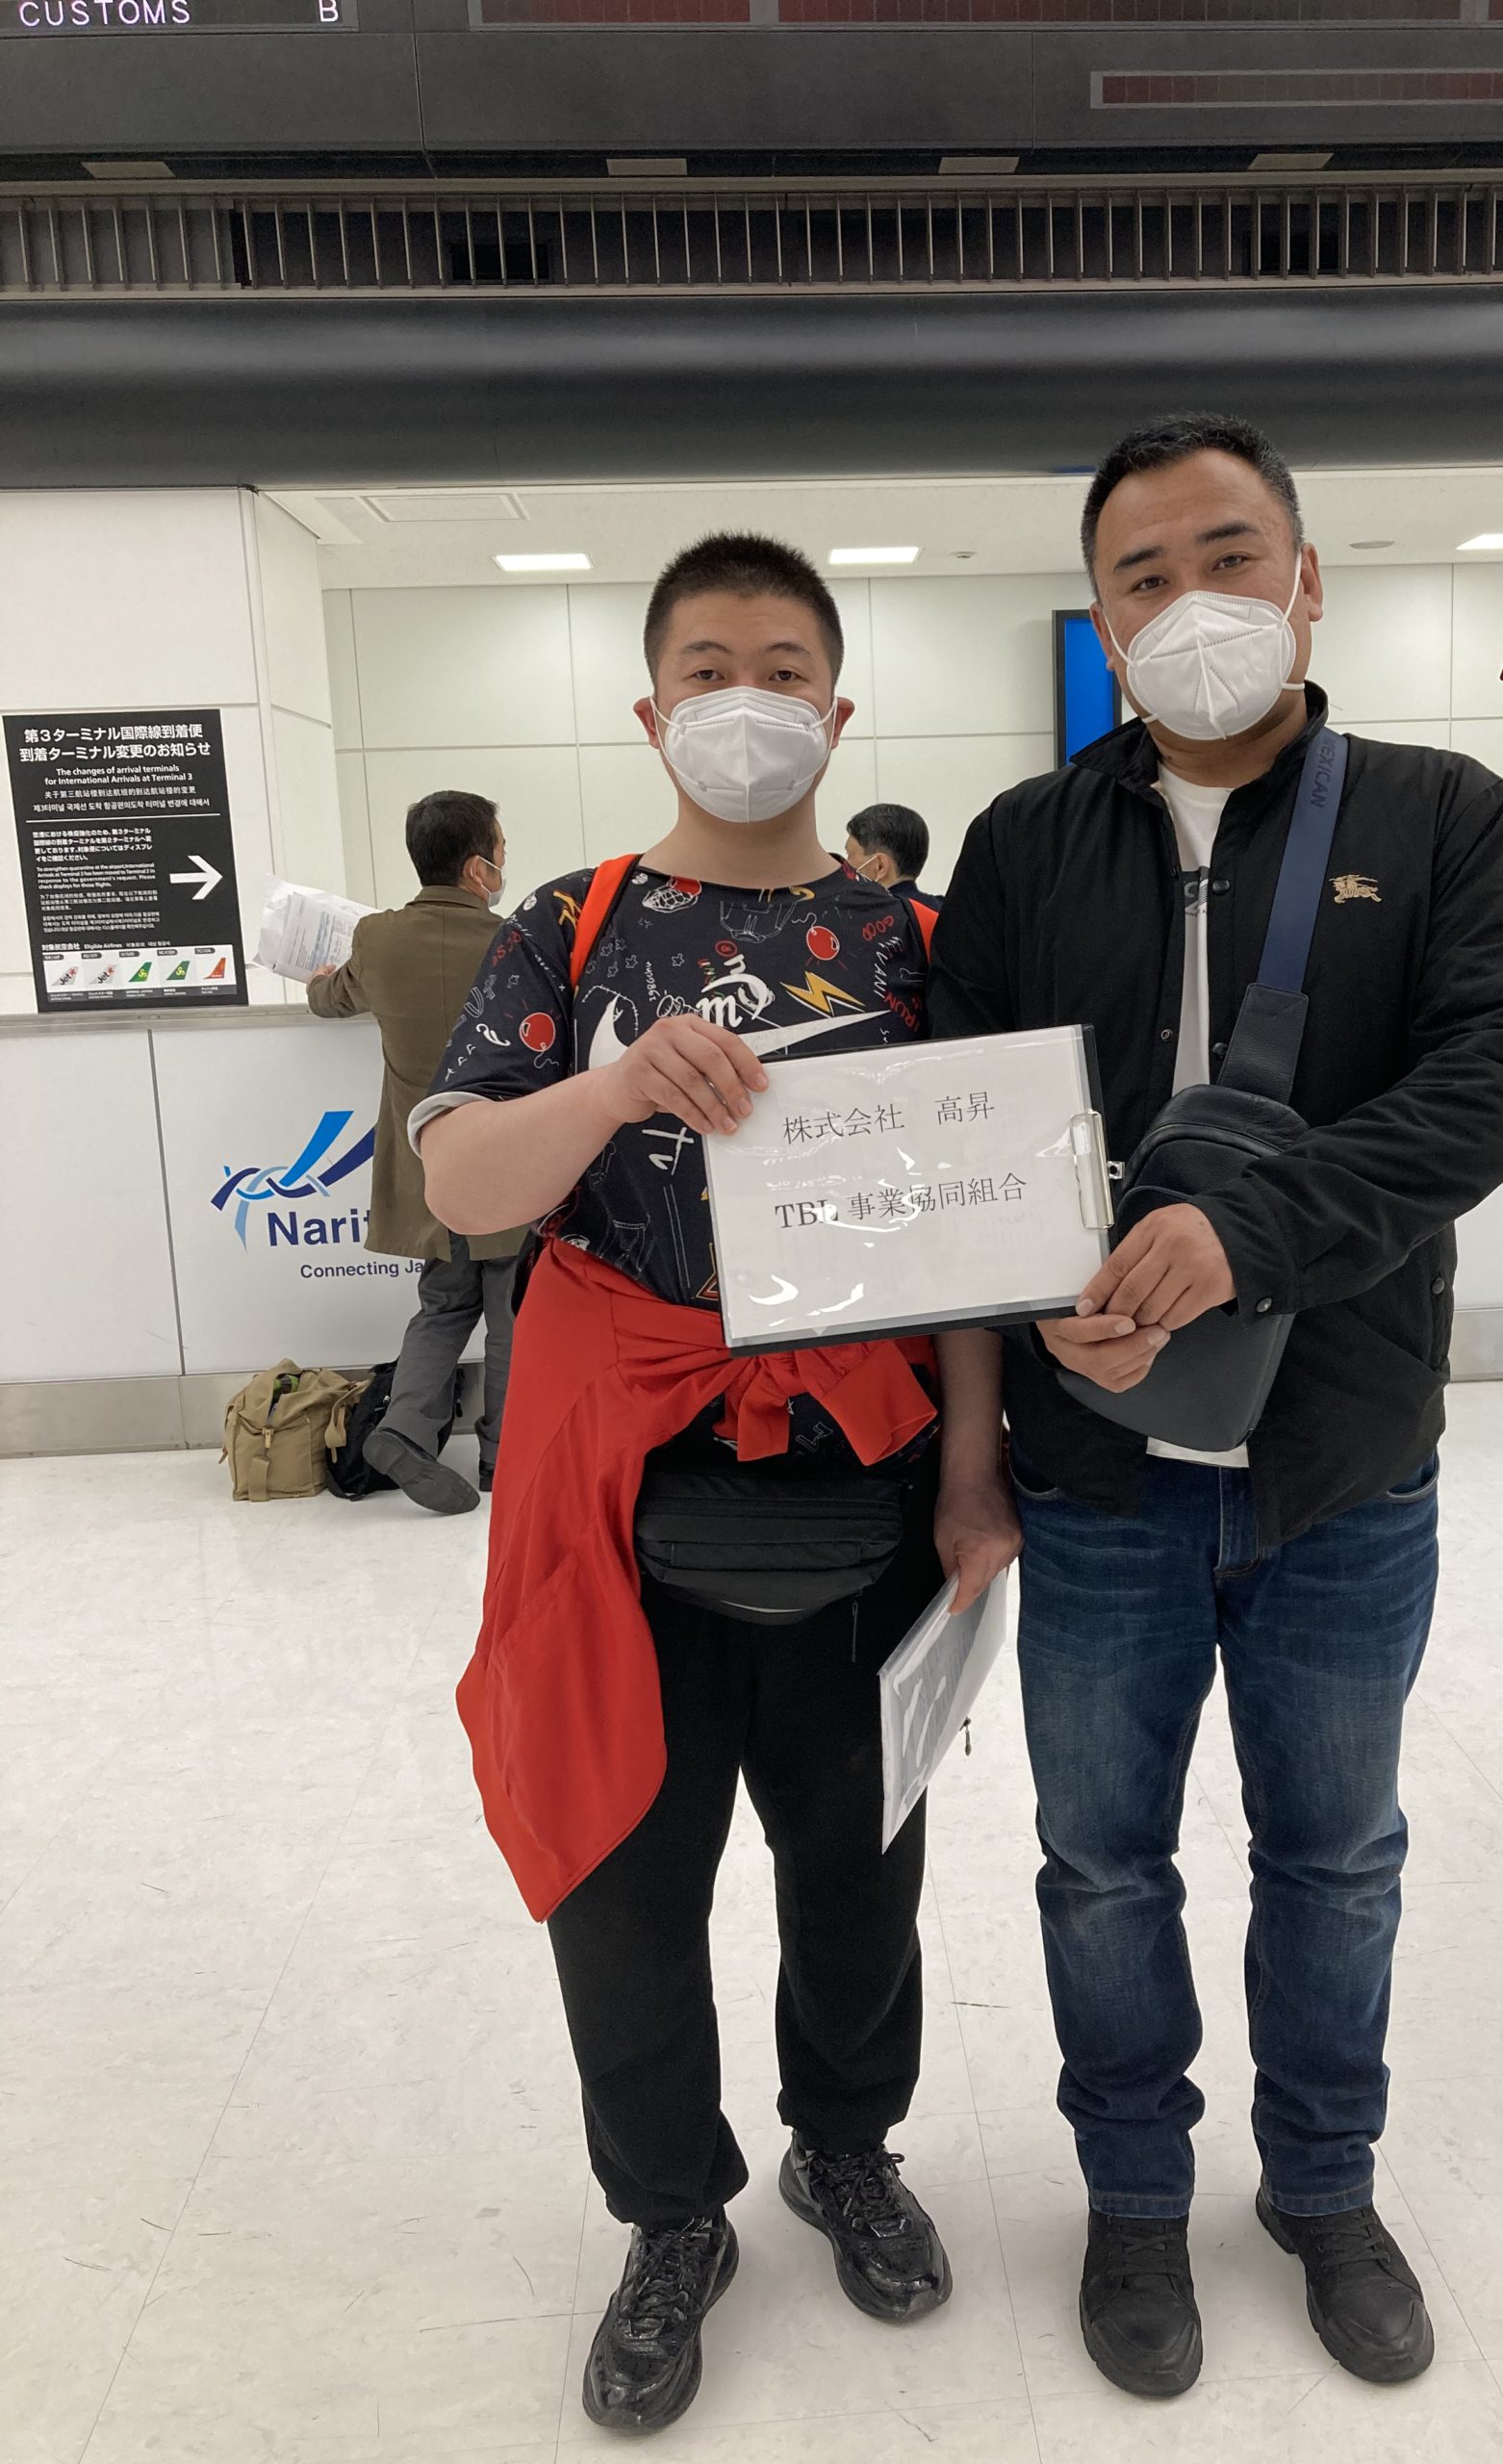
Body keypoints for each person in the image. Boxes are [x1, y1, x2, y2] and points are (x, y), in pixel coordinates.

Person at [929, 413, 1503, 2400]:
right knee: (1101, 1861)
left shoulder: (1442, 815)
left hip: (1344, 1462)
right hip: (1095, 1471)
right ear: (1101, 618)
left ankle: (1323, 2184)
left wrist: (1248, 1231)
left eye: (1229, 555)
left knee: (1338, 1854)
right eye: (1143, 574)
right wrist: (1040, 1324)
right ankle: (1134, 2193)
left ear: (1306, 580)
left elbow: (1489, 1087)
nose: (1191, 600)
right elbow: (969, 1132)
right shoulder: (1026, 845)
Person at [412, 532, 1020, 2437]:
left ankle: (847, 2147)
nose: (742, 700)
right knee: (623, 1874)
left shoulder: (917, 945)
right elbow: (459, 1180)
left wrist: (975, 1476)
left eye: (780, 669)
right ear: (651, 705)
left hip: (869, 1477)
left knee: (860, 1864)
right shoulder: (571, 925)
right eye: (705, 668)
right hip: (620, 1501)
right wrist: (608, 1087)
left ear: (836, 712)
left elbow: (967, 1240)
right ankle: (672, 2213)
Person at [307, 789, 522, 1515]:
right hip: (507, 1160)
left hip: (429, 1167)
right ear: (477, 867)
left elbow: (331, 999)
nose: (504, 861)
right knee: (512, 1311)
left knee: (443, 1304)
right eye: (500, 848)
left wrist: (317, 987)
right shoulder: (513, 941)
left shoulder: (376, 938)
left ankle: (403, 1429)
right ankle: (504, 1456)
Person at [845, 802, 937, 907]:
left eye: (850, 855)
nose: (844, 864)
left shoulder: (869, 913)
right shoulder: (942, 909)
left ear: (880, 866)